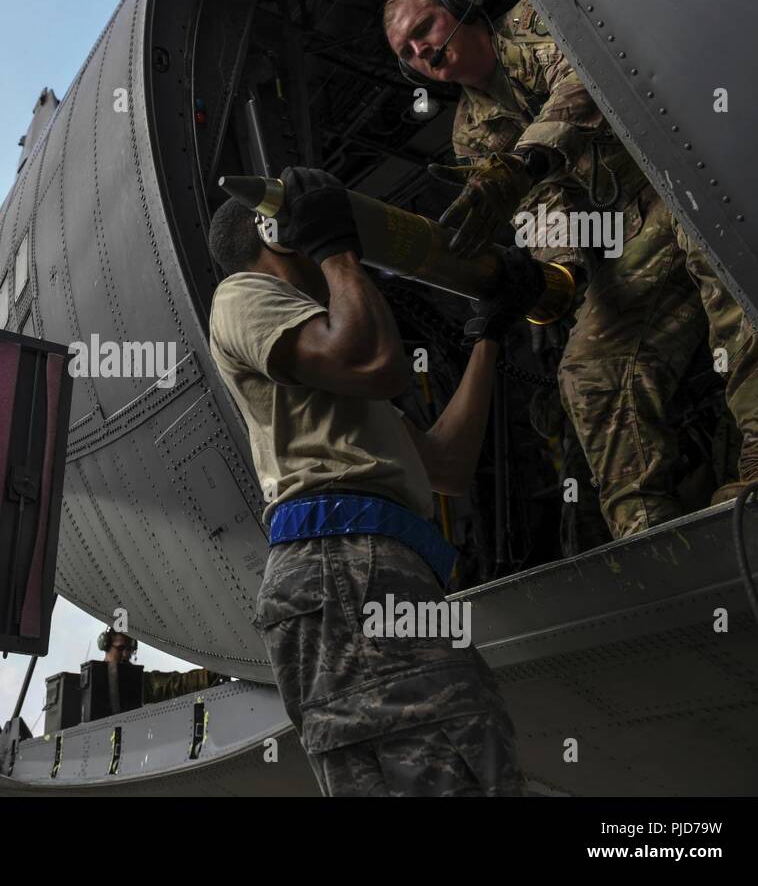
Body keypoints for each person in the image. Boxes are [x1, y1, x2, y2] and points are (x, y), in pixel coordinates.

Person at [383, 0, 758, 537]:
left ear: (462, 5)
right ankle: (648, 532)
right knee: (587, 368)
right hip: (627, 232)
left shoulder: (535, 16)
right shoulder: (468, 132)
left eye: (424, 29)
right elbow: (541, 208)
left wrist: (519, 165)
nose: (421, 51)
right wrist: (555, 272)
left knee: (712, 251)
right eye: (407, 53)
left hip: (681, 170)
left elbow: (582, 84)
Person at [207, 166, 538, 795]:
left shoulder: (333, 389)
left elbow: (446, 467)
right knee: (463, 768)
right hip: (344, 567)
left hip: (361, 569)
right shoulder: (243, 294)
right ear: (276, 235)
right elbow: (375, 362)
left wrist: (487, 333)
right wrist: (335, 251)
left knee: (456, 767)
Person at [99, 630, 227, 704]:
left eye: (130, 649)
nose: (126, 654)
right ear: (106, 645)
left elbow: (175, 684)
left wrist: (210, 674)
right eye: (121, 648)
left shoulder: (139, 681)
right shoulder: (93, 682)